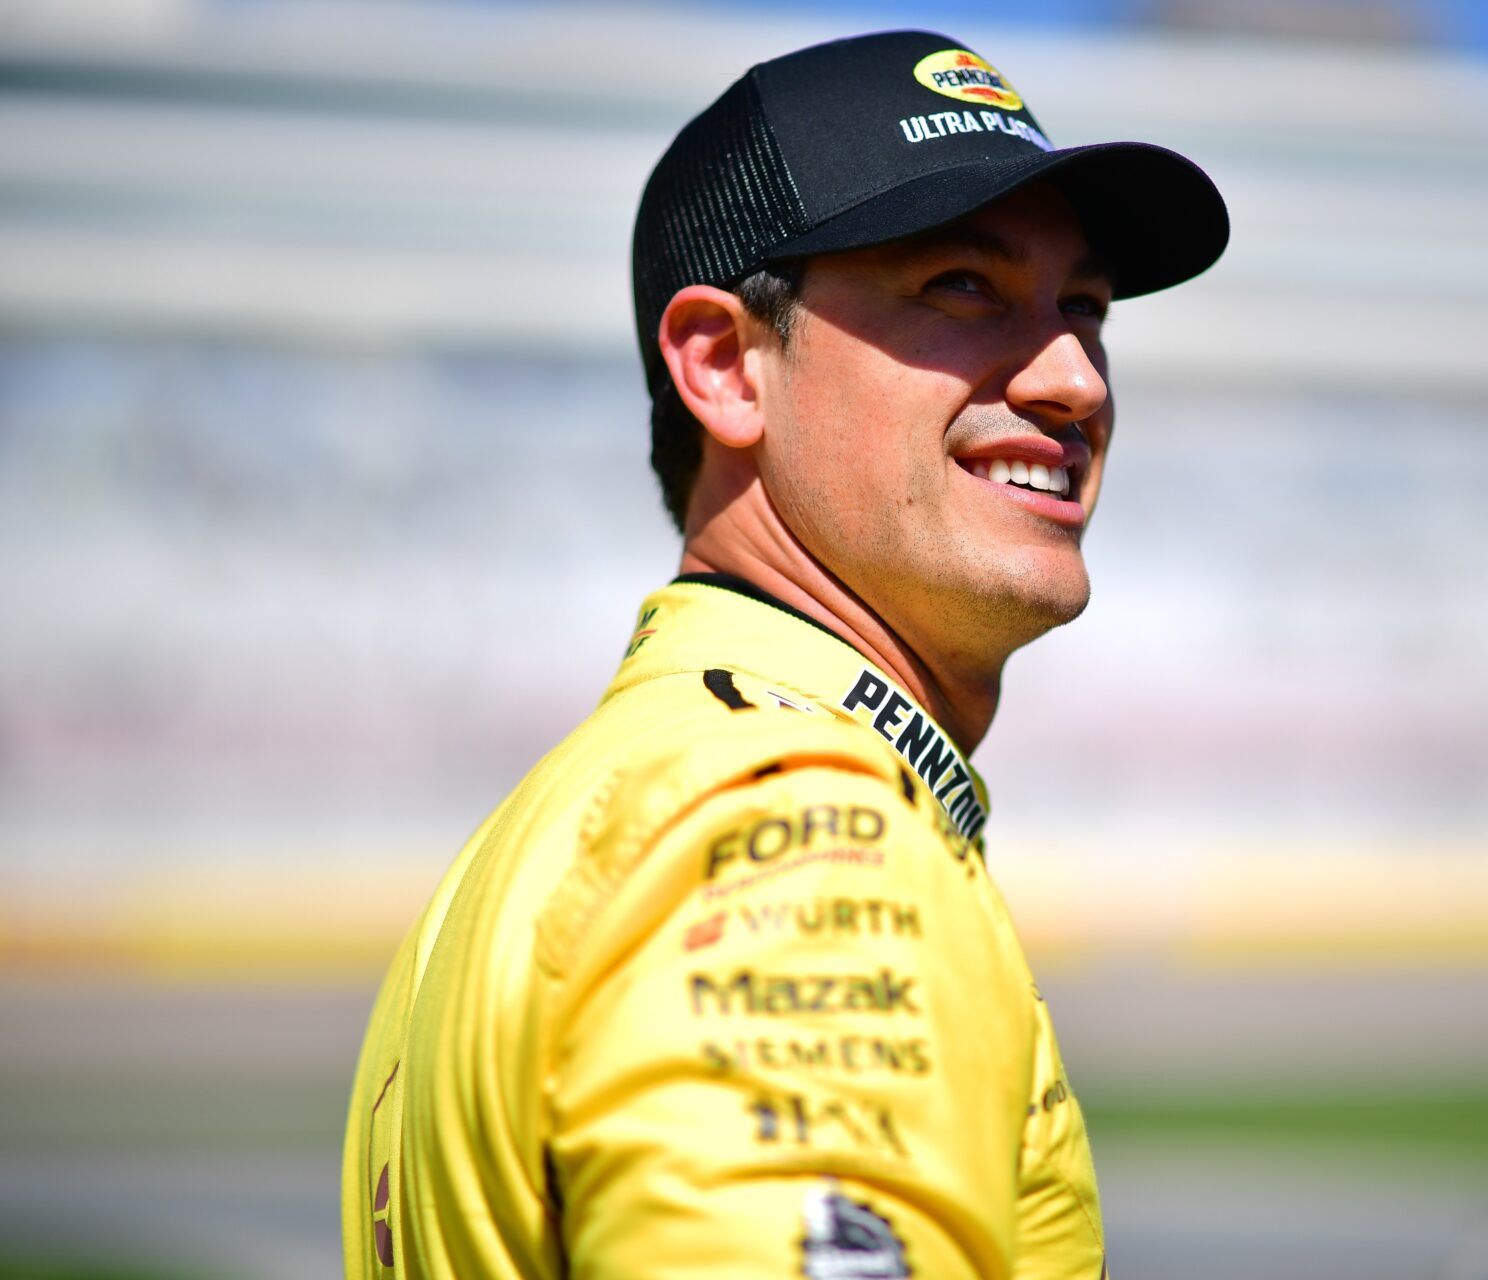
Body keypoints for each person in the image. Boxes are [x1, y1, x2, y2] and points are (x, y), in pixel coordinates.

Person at [342, 28, 1226, 1279]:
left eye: (1084, 305)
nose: (1076, 378)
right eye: (962, 285)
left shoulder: (565, 823)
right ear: (724, 365)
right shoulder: (797, 827)